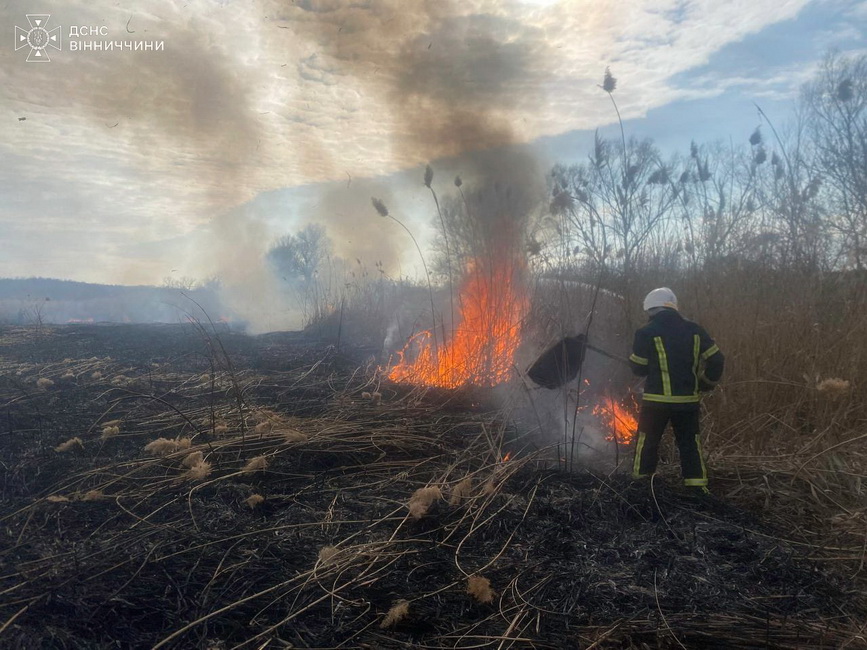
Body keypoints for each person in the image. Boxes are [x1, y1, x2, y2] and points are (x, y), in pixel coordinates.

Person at [628, 288, 724, 494]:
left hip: (656, 402)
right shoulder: (695, 330)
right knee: (690, 443)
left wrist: (639, 361)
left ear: (651, 309)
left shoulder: (646, 332)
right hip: (687, 402)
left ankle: (641, 486)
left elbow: (639, 368)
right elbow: (717, 359)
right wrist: (706, 382)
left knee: (648, 442)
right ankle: (697, 488)